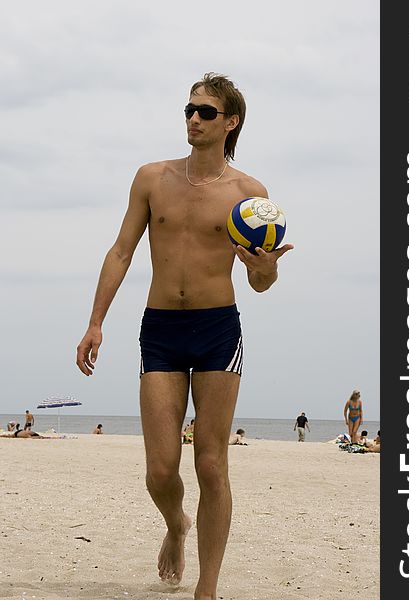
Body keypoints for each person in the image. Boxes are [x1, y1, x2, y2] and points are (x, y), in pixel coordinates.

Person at [76, 72, 293, 599]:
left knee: (213, 462)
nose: (193, 118)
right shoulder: (153, 178)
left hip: (218, 329)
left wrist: (263, 267)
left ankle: (207, 589)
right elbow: (122, 250)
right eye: (189, 109)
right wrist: (96, 321)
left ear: (231, 122)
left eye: (207, 112)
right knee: (160, 469)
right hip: (162, 331)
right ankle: (176, 523)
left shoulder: (249, 194)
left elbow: (261, 283)